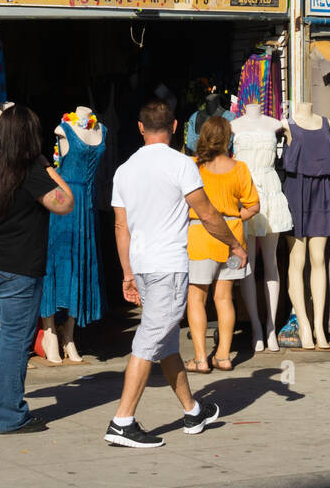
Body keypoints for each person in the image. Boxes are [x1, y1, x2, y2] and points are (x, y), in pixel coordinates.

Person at [105, 99, 247, 448]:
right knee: (150, 338)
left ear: (140, 128)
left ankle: (192, 409)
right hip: (168, 266)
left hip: (141, 264)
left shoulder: (124, 169)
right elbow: (209, 214)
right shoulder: (181, 164)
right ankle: (122, 421)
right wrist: (235, 245)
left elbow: (120, 226)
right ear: (175, 126)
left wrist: (126, 273)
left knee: (166, 341)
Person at [0, 105, 74, 434]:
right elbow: (66, 203)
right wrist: (48, 167)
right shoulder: (31, 173)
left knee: (11, 333)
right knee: (15, 338)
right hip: (18, 270)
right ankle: (10, 413)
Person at [185, 116, 259, 373]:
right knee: (225, 297)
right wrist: (236, 216)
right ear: (228, 139)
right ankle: (224, 356)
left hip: (200, 236)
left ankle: (200, 358)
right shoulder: (240, 168)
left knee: (196, 297)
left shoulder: (193, 166)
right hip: (233, 236)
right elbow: (254, 206)